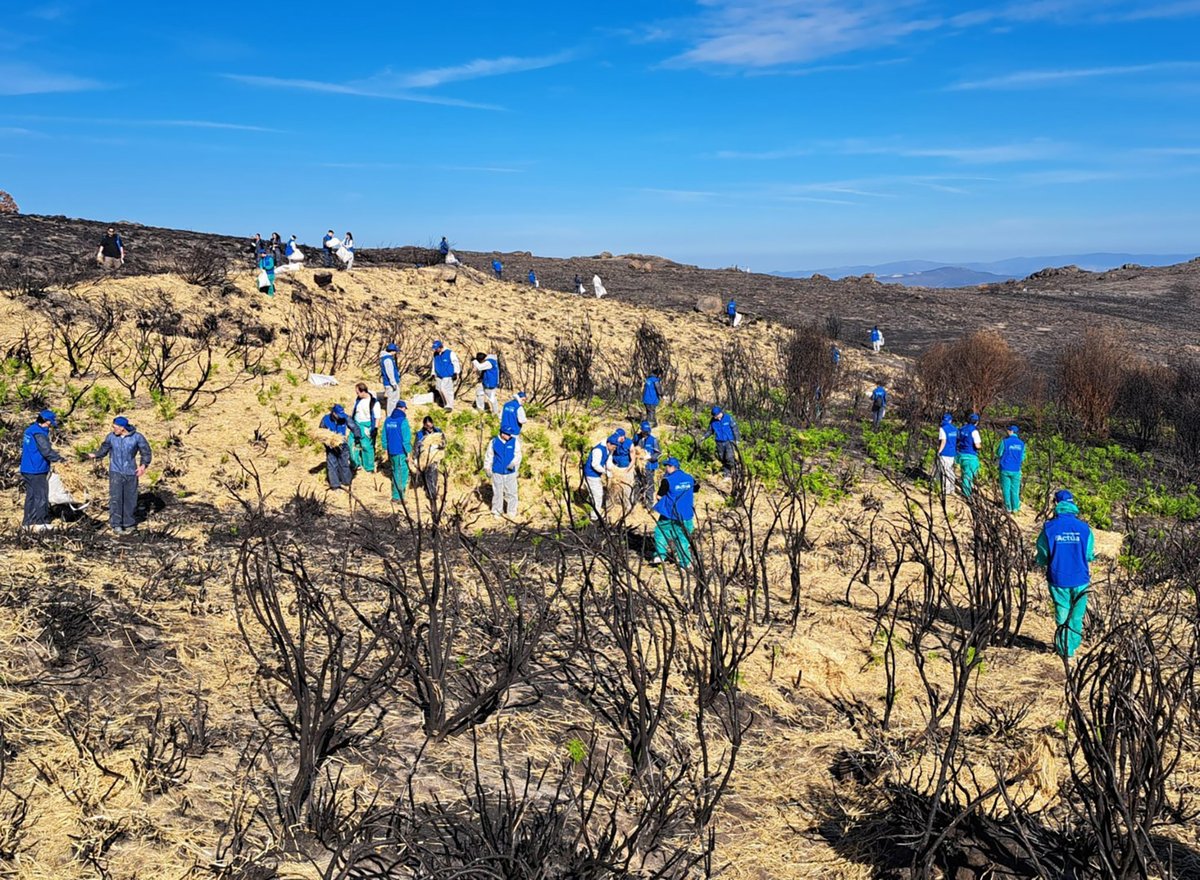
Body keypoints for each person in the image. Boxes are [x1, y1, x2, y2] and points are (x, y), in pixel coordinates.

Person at [1036, 489, 1095, 659]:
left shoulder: (1049, 528)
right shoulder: (1085, 528)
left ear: (1056, 504)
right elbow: (1089, 554)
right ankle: (1073, 646)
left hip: (1058, 578)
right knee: (1077, 615)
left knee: (1062, 613)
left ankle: (1064, 650)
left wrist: (1043, 561)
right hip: (1080, 578)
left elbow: (1043, 553)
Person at [85, 415, 152, 534]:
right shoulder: (111, 437)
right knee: (116, 498)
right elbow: (103, 450)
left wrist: (143, 466)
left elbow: (146, 452)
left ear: (122, 428)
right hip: (115, 472)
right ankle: (116, 524)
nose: (113, 429)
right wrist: (94, 455)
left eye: (115, 427)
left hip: (131, 472)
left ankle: (129, 523)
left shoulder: (137, 437)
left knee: (130, 499)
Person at [20, 410, 64, 530]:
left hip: (26, 468)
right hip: (37, 469)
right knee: (41, 496)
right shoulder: (39, 433)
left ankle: (28, 522)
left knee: (31, 496)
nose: (50, 425)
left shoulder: (30, 430)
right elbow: (46, 451)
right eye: (50, 422)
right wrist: (60, 459)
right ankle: (41, 523)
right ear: (46, 421)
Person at [651, 457, 696, 568]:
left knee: (661, 532)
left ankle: (660, 555)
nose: (665, 468)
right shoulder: (690, 478)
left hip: (670, 513)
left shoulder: (667, 480)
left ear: (671, 467)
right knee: (683, 538)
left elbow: (659, 496)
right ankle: (685, 563)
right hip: (686, 514)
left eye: (667, 466)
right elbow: (696, 488)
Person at [484, 430, 522, 518]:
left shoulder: (514, 442)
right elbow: (489, 456)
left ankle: (511, 512)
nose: (509, 436)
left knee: (512, 493)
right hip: (497, 472)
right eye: (507, 434)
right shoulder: (494, 442)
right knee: (498, 493)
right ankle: (497, 512)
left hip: (510, 472)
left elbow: (518, 455)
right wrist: (487, 468)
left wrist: (513, 464)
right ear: (502, 433)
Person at [380, 400, 412, 501]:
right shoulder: (403, 421)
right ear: (403, 408)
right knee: (402, 474)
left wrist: (385, 449)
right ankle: (398, 497)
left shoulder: (388, 420)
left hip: (391, 451)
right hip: (401, 451)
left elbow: (384, 436)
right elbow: (406, 439)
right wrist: (409, 453)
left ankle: (396, 494)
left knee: (395, 471)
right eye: (405, 409)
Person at [348, 383, 381, 473]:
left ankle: (368, 467)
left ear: (363, 391)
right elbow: (354, 411)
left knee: (366, 446)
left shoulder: (374, 403)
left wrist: (375, 428)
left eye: (358, 392)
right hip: (356, 424)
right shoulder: (358, 400)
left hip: (366, 426)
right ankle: (355, 464)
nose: (357, 394)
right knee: (351, 443)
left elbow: (377, 417)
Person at [583, 434, 618, 521]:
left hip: (597, 475)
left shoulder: (609, 450)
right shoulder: (598, 450)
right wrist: (606, 472)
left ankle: (594, 513)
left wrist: (614, 470)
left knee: (597, 495)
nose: (614, 449)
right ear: (608, 444)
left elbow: (608, 462)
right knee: (597, 495)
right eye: (614, 447)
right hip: (591, 474)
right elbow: (595, 465)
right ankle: (594, 516)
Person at [319, 404, 353, 490]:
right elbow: (321, 433)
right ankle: (335, 485)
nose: (341, 417)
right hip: (331, 446)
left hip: (343, 445)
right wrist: (327, 442)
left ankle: (346, 482)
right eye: (339, 415)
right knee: (332, 465)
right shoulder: (325, 419)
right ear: (334, 413)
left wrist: (358, 436)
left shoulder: (345, 417)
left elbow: (354, 426)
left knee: (344, 463)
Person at [704, 406, 740, 480]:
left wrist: (737, 440)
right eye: (715, 416)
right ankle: (727, 474)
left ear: (720, 413)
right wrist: (704, 437)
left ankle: (734, 471)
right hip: (719, 442)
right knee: (722, 458)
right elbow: (710, 431)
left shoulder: (728, 418)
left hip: (729, 441)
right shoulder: (713, 421)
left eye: (717, 416)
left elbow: (735, 429)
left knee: (729, 457)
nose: (716, 418)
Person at [415, 417, 445, 503]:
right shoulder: (420, 434)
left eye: (430, 425)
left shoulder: (438, 431)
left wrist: (437, 446)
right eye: (427, 426)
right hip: (424, 457)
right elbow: (416, 447)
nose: (429, 428)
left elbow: (444, 443)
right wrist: (416, 458)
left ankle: (432, 492)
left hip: (435, 456)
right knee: (427, 474)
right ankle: (430, 492)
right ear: (424, 425)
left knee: (433, 473)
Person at [997, 425, 1026, 513]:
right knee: (1015, 490)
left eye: (1008, 430)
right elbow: (1023, 457)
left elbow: (999, 453)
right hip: (1016, 469)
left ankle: (1008, 507)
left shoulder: (1005, 442)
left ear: (1011, 431)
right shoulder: (1022, 444)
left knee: (1006, 488)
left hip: (1005, 468)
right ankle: (1015, 508)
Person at [633, 420, 661, 508]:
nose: (645, 433)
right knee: (637, 483)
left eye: (647, 432)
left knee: (649, 485)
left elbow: (658, 453)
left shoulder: (653, 440)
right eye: (644, 432)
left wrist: (650, 457)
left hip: (649, 466)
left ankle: (649, 504)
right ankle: (636, 501)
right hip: (638, 466)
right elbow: (632, 447)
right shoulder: (637, 438)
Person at [608, 429, 636, 516]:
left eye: (619, 437)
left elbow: (633, 459)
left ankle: (629, 507)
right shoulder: (614, 441)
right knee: (613, 488)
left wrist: (627, 469)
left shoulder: (629, 443)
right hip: (616, 468)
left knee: (627, 489)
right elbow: (610, 454)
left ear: (623, 437)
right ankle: (610, 505)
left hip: (626, 468)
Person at [431, 340, 461, 411]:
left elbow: (455, 363)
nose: (435, 350)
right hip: (438, 375)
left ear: (440, 347)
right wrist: (433, 373)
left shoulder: (450, 353)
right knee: (439, 389)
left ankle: (450, 405)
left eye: (436, 348)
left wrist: (456, 372)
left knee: (445, 389)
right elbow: (434, 363)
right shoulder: (435, 354)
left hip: (447, 374)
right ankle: (445, 404)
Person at [956, 413, 982, 497]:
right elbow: (977, 445)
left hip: (961, 454)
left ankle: (967, 490)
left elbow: (957, 440)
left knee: (965, 473)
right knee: (968, 475)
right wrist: (981, 447)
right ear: (976, 422)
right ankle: (967, 493)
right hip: (971, 455)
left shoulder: (961, 429)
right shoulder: (974, 431)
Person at [936, 413, 958, 496]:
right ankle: (952, 488)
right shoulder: (955, 429)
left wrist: (939, 451)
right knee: (950, 471)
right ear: (950, 420)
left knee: (945, 471)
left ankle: (946, 490)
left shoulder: (942, 429)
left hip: (945, 452)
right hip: (953, 453)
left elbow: (943, 441)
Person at [380, 343, 401, 416]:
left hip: (391, 383)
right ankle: (390, 415)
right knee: (392, 400)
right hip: (390, 384)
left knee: (394, 399)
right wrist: (393, 383)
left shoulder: (387, 358)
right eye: (395, 351)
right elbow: (390, 373)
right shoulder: (388, 360)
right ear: (392, 351)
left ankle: (393, 414)